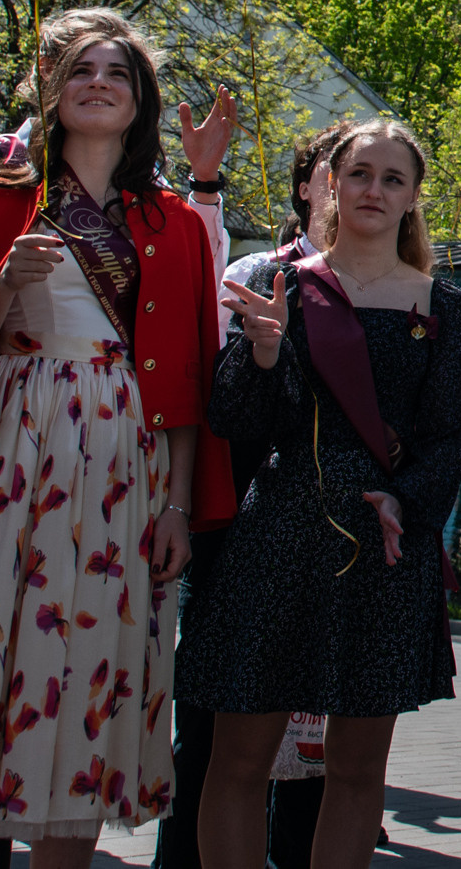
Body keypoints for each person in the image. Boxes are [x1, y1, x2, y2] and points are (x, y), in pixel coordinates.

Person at [0, 6, 239, 858]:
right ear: (54, 91)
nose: (98, 84)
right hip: (0, 451)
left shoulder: (169, 223)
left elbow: (182, 376)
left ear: (139, 101)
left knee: (86, 669)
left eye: (117, 74)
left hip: (117, 463)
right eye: (82, 71)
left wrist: (176, 505)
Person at [177, 117, 461, 869]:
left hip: (381, 547)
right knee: (237, 760)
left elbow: (446, 438)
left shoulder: (443, 305)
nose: (375, 190)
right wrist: (267, 353)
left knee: (354, 771)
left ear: (413, 198)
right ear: (330, 185)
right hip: (277, 532)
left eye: (393, 178)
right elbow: (235, 419)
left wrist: (406, 502)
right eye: (361, 174)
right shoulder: (280, 284)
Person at [156, 122, 348, 869]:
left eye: (382, 174)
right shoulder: (261, 268)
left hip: (333, 541)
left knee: (318, 750)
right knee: (209, 735)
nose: (358, 188)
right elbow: (216, 393)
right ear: (306, 186)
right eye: (342, 171)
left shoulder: (393, 289)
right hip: (241, 529)